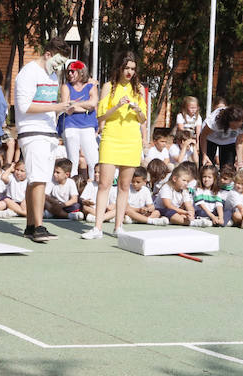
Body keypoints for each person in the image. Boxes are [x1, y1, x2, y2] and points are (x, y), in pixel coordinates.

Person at [82, 51, 148, 240]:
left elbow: (143, 118)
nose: (129, 72)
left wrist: (137, 110)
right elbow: (100, 116)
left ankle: (118, 226)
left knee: (124, 186)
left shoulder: (139, 90)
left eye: (133, 69)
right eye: (126, 68)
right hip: (111, 138)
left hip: (131, 139)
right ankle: (97, 227)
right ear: (119, 67)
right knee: (104, 184)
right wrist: (118, 105)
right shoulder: (108, 87)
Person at [14, 36, 71, 243]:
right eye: (57, 62)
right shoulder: (28, 73)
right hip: (32, 131)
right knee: (38, 179)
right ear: (47, 54)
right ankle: (38, 226)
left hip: (48, 132)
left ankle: (31, 225)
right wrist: (56, 107)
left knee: (38, 179)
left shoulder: (52, 76)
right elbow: (23, 107)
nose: (58, 67)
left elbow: (48, 104)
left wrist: (65, 108)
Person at [58, 60, 98, 180]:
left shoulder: (91, 86)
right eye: (68, 71)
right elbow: (67, 107)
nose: (70, 73)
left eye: (73, 71)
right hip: (70, 125)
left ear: (81, 71)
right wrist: (85, 107)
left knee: (93, 160)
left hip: (88, 125)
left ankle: (93, 189)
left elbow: (93, 103)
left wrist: (77, 104)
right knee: (73, 161)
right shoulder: (66, 87)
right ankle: (73, 190)